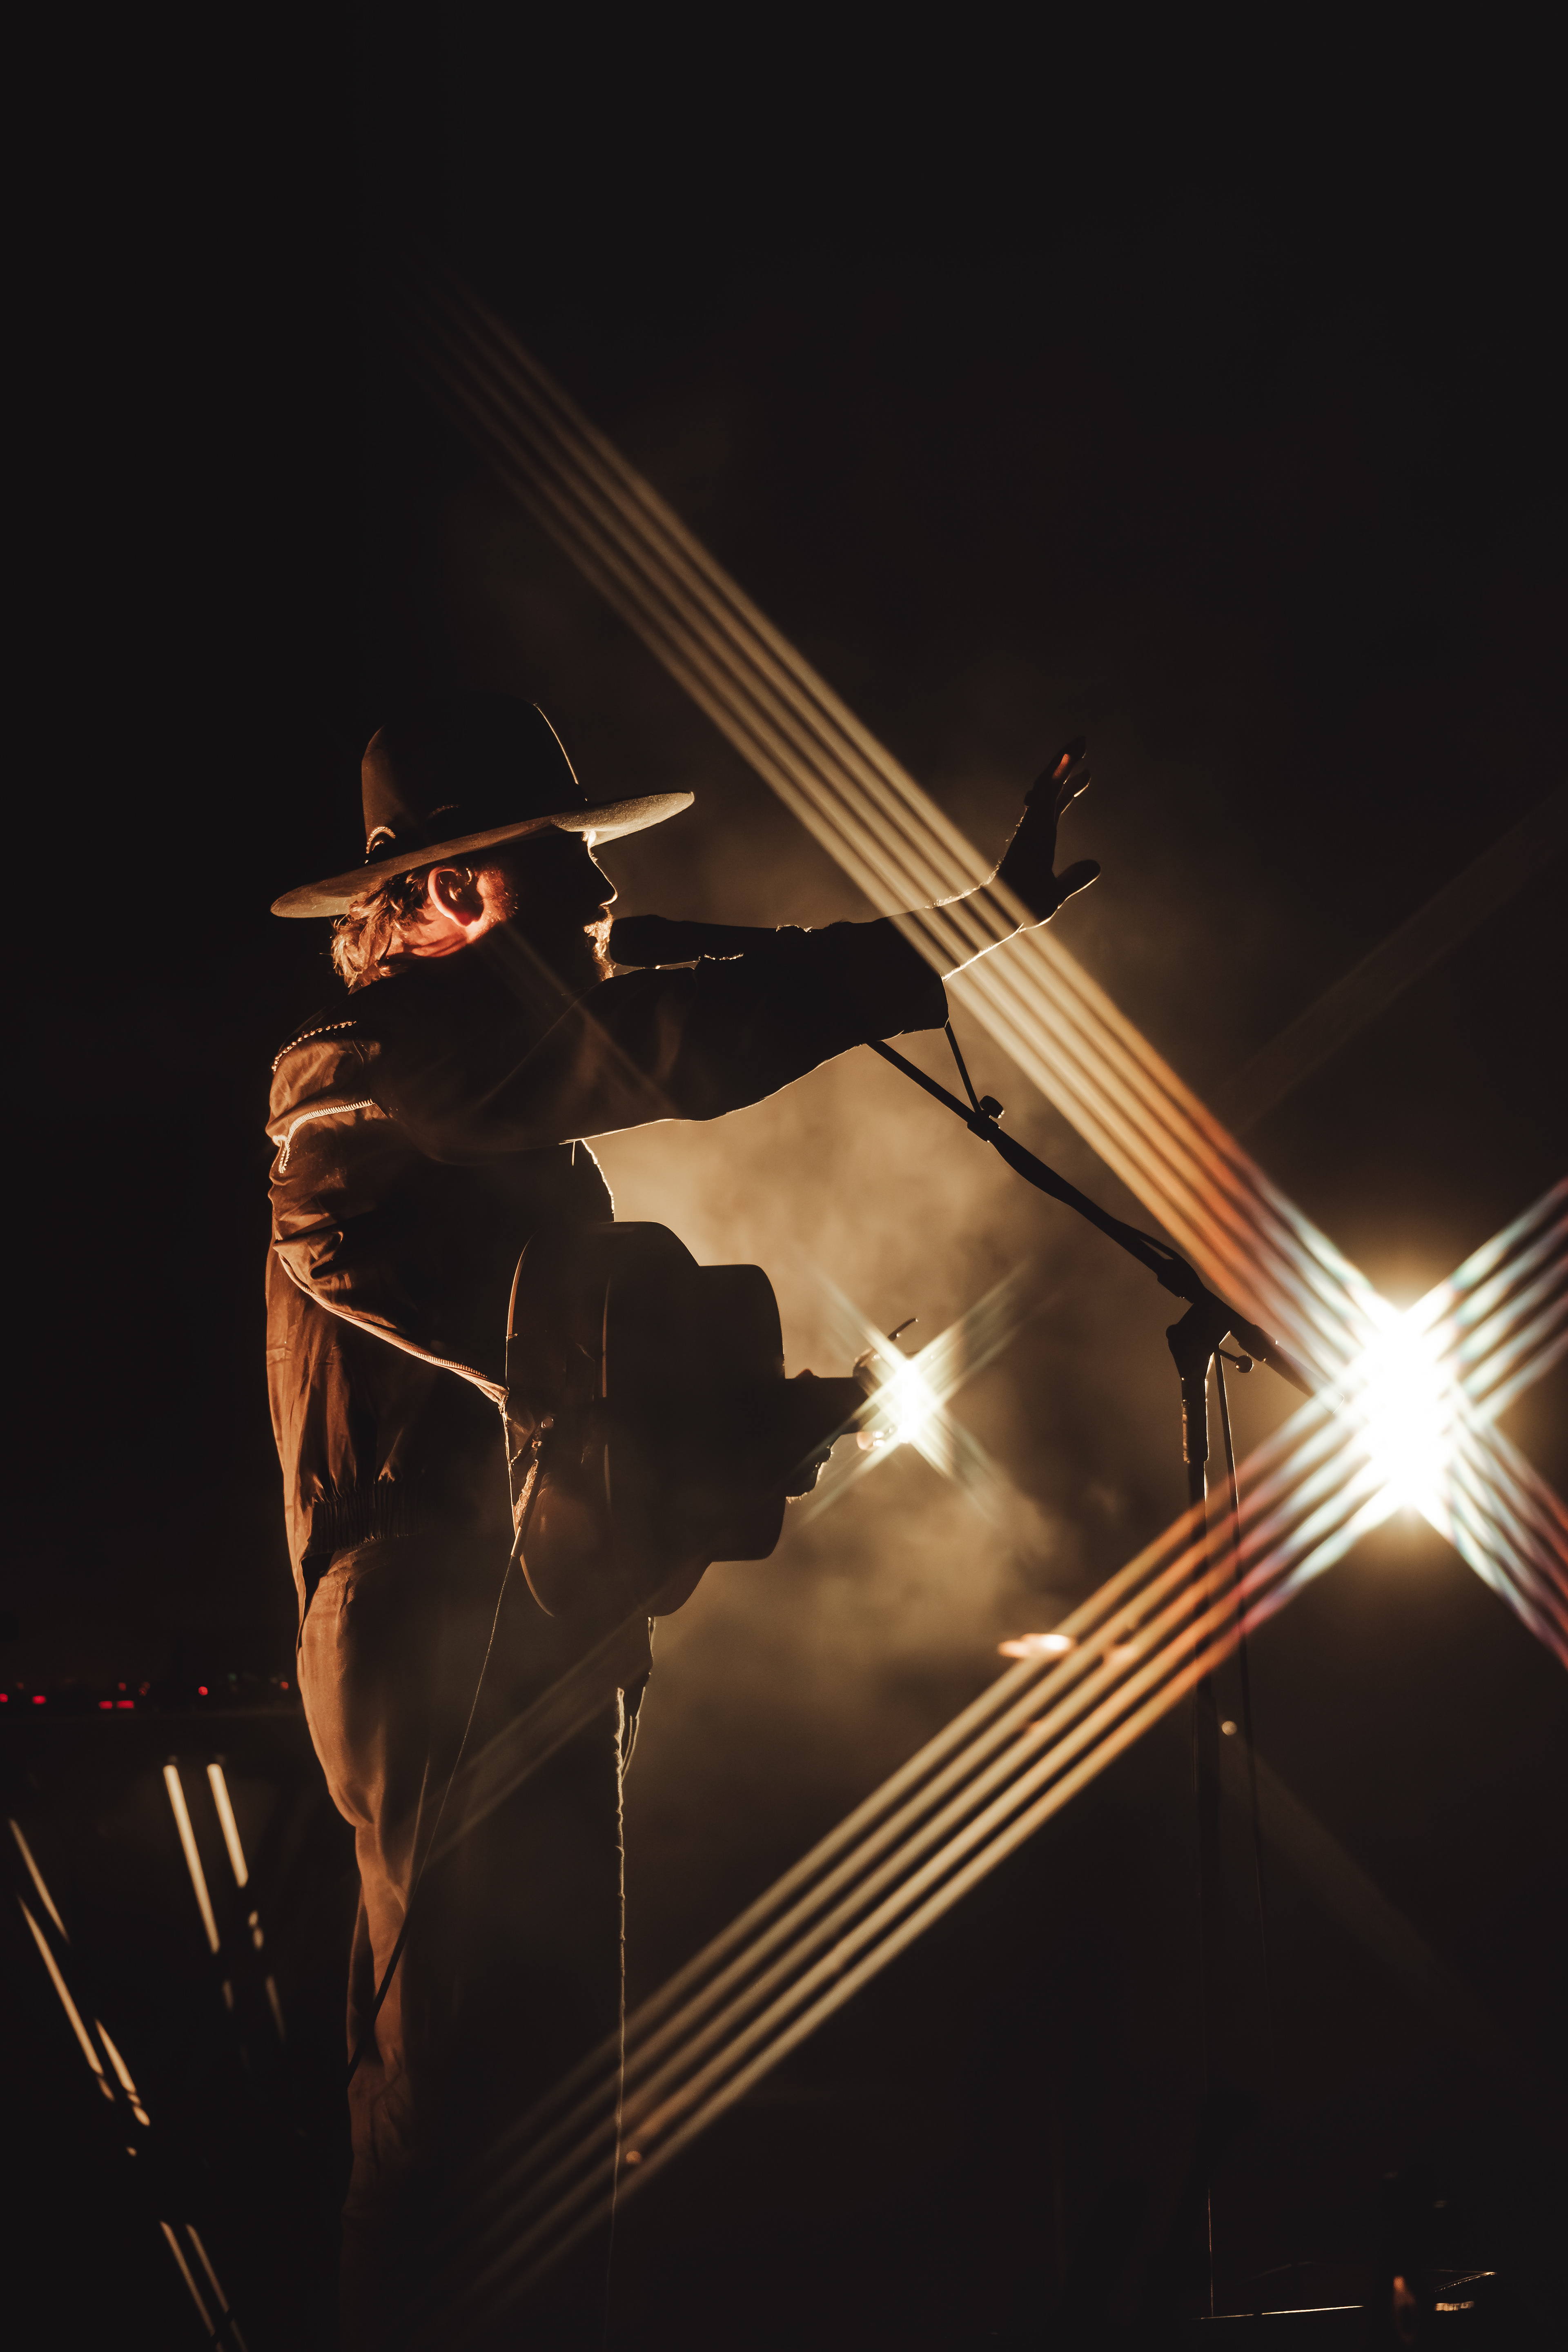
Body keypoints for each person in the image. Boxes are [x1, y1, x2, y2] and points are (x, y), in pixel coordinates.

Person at [265, 691, 1095, 2345]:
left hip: (532, 1631)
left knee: (557, 2122)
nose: (595, 886)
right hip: (430, 1627)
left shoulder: (497, 1104)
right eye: (560, 854)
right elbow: (650, 1051)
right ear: (438, 898)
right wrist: (951, 936)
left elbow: (573, 1382)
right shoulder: (349, 1076)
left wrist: (762, 1430)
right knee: (455, 2122)